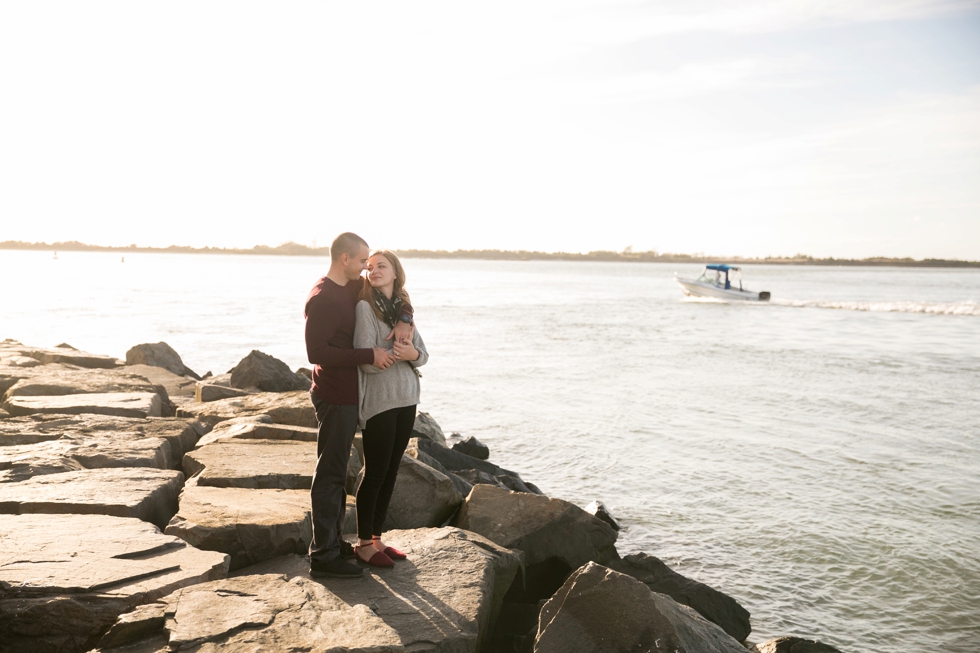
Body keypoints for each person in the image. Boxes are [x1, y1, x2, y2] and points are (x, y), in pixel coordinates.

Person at [304, 232, 414, 578]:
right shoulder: (322, 297)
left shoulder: (352, 287)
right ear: (345, 259)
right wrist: (370, 354)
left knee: (340, 473)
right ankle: (323, 556)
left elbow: (395, 296)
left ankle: (338, 544)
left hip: (352, 394)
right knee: (331, 474)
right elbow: (316, 353)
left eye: (373, 263)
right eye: (363, 260)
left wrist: (404, 318)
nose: (368, 267)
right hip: (335, 394)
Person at [352, 250, 428, 567]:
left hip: (407, 400)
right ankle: (363, 544)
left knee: (391, 472)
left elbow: (422, 356)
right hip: (380, 403)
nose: (375, 271)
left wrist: (406, 350)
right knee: (375, 473)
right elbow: (366, 360)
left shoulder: (403, 312)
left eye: (382, 266)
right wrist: (398, 351)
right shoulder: (365, 308)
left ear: (396, 272)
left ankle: (378, 538)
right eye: (370, 267)